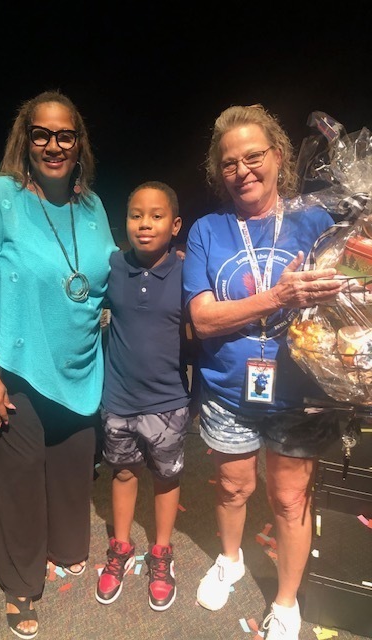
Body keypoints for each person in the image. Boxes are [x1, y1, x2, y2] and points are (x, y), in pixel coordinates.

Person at [0, 89, 117, 639]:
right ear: (26, 140)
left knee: (72, 467)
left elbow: (106, 275)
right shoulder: (0, 195)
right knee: (18, 479)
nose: (53, 145)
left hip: (80, 363)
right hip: (16, 367)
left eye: (65, 135)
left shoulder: (92, 207)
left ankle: (64, 547)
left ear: (78, 142)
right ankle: (18, 583)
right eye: (42, 134)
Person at [182, 104, 344, 640]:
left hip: (299, 395)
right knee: (233, 488)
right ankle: (230, 560)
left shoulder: (314, 221)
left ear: (278, 157)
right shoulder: (208, 231)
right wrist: (278, 297)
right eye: (229, 163)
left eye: (253, 157)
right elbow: (203, 320)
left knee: (289, 499)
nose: (242, 170)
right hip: (228, 391)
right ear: (218, 171)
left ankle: (287, 601)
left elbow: (350, 295)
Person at [95, 181, 191, 612]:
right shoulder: (113, 265)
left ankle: (161, 552)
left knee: (166, 477)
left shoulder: (187, 271)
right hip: (118, 399)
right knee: (123, 473)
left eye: (156, 216)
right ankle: (121, 547)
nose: (145, 224)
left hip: (168, 402)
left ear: (175, 225)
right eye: (136, 215)